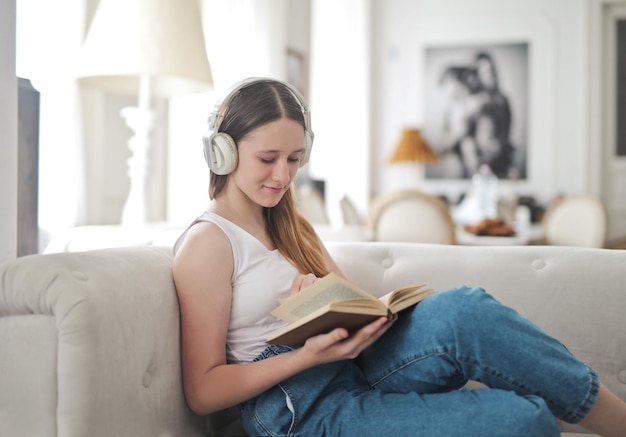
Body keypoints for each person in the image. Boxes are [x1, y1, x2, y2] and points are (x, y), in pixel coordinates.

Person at [172, 77, 626, 436]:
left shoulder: (289, 223)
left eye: (294, 159)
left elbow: (351, 304)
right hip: (295, 405)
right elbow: (203, 390)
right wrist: (302, 352)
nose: (283, 175)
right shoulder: (209, 243)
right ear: (223, 153)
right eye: (268, 158)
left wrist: (339, 306)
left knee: (465, 309)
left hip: (346, 362)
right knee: (525, 420)